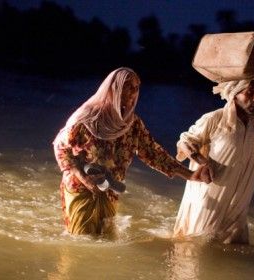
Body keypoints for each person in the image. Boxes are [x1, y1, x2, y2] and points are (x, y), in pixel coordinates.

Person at [53, 67, 211, 236]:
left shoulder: (132, 124)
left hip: (110, 189)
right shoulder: (88, 119)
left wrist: (190, 174)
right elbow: (60, 146)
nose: (132, 92)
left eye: (136, 88)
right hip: (81, 188)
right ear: (114, 89)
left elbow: (153, 153)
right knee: (81, 242)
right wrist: (82, 177)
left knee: (106, 241)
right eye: (127, 86)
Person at [173, 79, 254, 244]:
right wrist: (203, 163)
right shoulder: (214, 119)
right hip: (209, 201)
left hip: (238, 204)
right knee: (197, 246)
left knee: (235, 249)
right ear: (234, 94)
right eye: (250, 93)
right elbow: (185, 142)